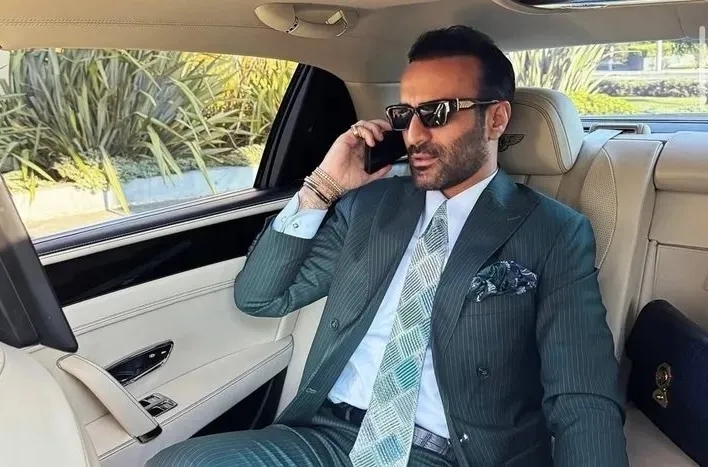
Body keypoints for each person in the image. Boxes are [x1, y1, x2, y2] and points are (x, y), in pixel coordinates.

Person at [147, 25, 628, 467]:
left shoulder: (552, 231)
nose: (414, 134)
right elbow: (260, 297)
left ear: (496, 118)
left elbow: (582, 395)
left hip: (452, 454)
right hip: (330, 438)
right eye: (405, 114)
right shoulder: (370, 206)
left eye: (437, 113)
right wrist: (323, 187)